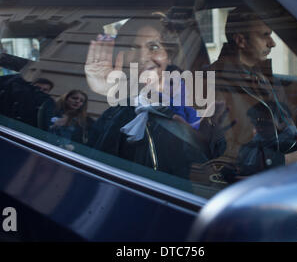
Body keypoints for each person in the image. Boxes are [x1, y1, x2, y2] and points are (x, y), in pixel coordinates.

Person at [85, 13, 225, 179]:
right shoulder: (118, 108)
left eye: (154, 47)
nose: (142, 57)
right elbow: (96, 163)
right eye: (132, 48)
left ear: (169, 54)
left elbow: (211, 156)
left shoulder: (195, 99)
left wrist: (202, 138)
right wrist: (106, 93)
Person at [206, 9, 297, 175]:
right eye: (265, 35)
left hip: (287, 158)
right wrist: (282, 161)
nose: (272, 43)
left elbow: (290, 115)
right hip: (264, 175)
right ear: (241, 41)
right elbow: (225, 152)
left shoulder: (261, 76)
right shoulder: (215, 84)